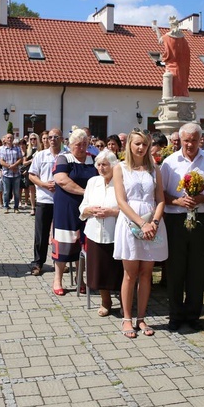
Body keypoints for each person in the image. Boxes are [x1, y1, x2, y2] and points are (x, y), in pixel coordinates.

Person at [160, 123, 204, 331]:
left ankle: (193, 316)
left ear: (200, 140)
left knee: (197, 270)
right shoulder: (169, 163)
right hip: (176, 220)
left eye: (194, 140)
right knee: (175, 269)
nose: (190, 144)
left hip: (201, 219)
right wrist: (177, 202)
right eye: (186, 140)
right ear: (180, 140)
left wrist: (203, 197)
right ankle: (175, 316)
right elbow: (161, 194)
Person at [113, 129, 168, 338]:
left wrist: (154, 221)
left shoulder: (154, 169)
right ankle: (127, 318)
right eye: (136, 144)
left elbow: (160, 198)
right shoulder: (121, 168)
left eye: (144, 144)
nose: (140, 147)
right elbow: (121, 201)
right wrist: (140, 223)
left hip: (152, 222)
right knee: (130, 273)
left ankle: (142, 317)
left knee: (146, 273)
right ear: (129, 145)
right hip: (130, 222)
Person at [51, 128, 97, 295]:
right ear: (70, 145)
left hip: (88, 208)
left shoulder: (93, 160)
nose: (82, 147)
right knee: (64, 241)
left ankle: (80, 278)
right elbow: (62, 180)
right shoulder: (64, 158)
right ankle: (57, 279)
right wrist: (86, 192)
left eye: (85, 144)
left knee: (84, 242)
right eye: (78, 144)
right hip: (67, 207)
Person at [79, 149, 123, 317]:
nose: (101, 168)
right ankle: (105, 301)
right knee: (100, 270)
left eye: (105, 165)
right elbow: (83, 206)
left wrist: (112, 212)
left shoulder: (121, 182)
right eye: (98, 164)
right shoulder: (93, 182)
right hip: (94, 232)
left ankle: (124, 300)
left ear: (114, 166)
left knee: (118, 269)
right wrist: (89, 209)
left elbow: (128, 208)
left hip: (116, 232)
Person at [28, 128, 62, 276]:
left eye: (55, 137)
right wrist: (43, 184)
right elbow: (32, 175)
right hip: (44, 199)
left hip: (61, 200)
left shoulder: (66, 156)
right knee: (41, 234)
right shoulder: (41, 155)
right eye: (50, 137)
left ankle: (59, 262)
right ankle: (38, 263)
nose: (52, 139)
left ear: (61, 139)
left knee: (60, 234)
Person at [152, 16, 190, 97]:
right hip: (182, 68)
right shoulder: (184, 39)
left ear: (171, 26)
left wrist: (156, 29)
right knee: (181, 86)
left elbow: (160, 40)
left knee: (171, 87)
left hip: (171, 67)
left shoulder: (167, 37)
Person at [0, 134, 23, 214]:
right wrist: (10, 166)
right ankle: (6, 206)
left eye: (11, 138)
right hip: (6, 174)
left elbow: (20, 159)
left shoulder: (17, 148)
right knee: (6, 191)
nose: (9, 139)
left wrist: (14, 166)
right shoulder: (2, 149)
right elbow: (1, 161)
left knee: (16, 192)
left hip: (16, 174)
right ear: (5, 139)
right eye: (8, 138)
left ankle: (16, 207)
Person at [23, 133, 40, 216]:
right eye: (31, 139)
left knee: (39, 190)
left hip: (39, 173)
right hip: (30, 172)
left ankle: (39, 206)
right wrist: (31, 161)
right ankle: (33, 207)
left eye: (34, 139)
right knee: (31, 190)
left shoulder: (40, 150)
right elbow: (24, 163)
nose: (33, 141)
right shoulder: (28, 150)